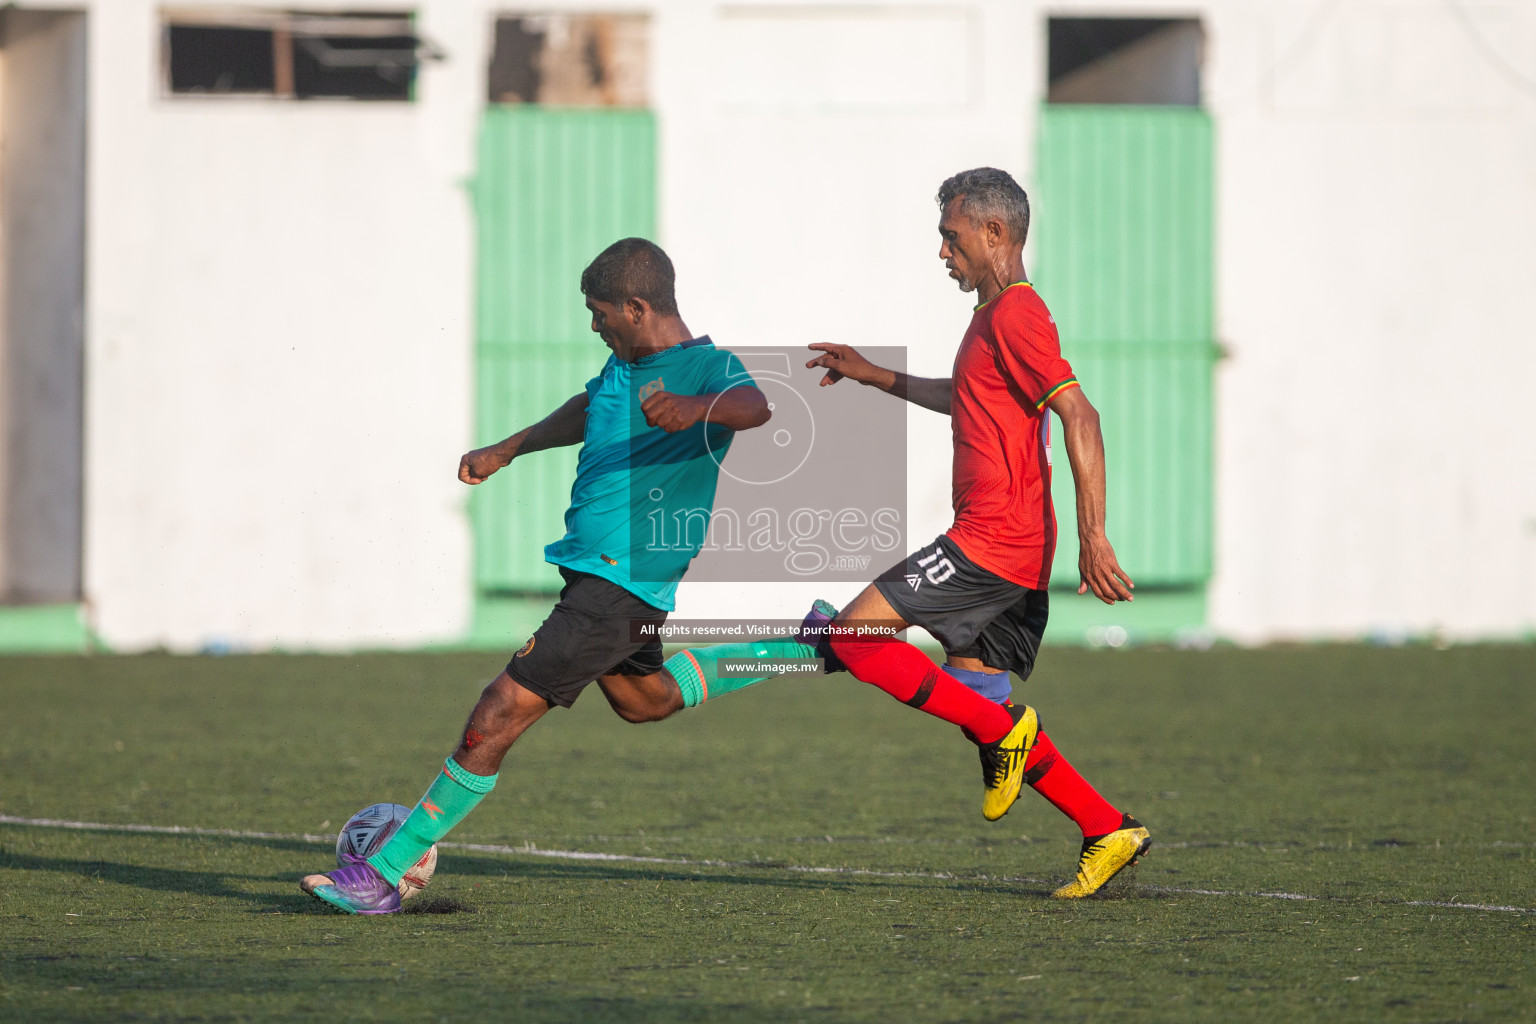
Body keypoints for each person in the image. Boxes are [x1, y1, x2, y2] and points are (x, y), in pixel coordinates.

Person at [301, 238, 837, 914]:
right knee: (644, 701)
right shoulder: (622, 365)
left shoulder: (706, 366)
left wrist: (697, 410)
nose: (594, 324)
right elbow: (588, 412)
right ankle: (812, 646)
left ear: (636, 307)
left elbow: (755, 407)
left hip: (619, 581)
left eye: (599, 311)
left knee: (497, 712)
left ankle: (383, 875)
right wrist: (508, 448)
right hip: (605, 580)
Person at [805, 168, 1151, 899]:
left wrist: (1096, 536)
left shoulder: (1018, 315)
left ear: (995, 233)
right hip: (1014, 547)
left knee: (853, 638)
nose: (942, 252)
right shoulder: (991, 318)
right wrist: (876, 376)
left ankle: (1005, 734)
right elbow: (966, 400)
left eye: (950, 235)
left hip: (993, 542)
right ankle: (1104, 827)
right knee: (978, 701)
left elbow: (1080, 416)